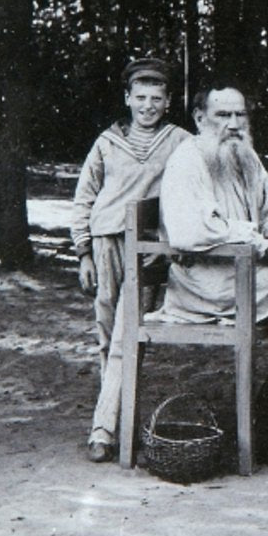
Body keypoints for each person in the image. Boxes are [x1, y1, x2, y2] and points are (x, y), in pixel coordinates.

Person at [86, 83, 268, 462]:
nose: (233, 124)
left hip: (244, 275)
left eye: (240, 115)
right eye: (223, 115)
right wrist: (260, 240)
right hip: (207, 285)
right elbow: (189, 232)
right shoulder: (188, 160)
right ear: (200, 119)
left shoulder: (244, 154)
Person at [72, 58, 190, 390]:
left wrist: (169, 243)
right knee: (107, 324)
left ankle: (116, 411)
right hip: (106, 240)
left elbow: (189, 198)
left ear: (168, 102)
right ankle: (115, 408)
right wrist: (84, 253)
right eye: (140, 97)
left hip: (148, 245)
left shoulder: (180, 142)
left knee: (133, 329)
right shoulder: (107, 142)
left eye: (156, 99)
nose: (147, 106)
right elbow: (84, 196)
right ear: (128, 98)